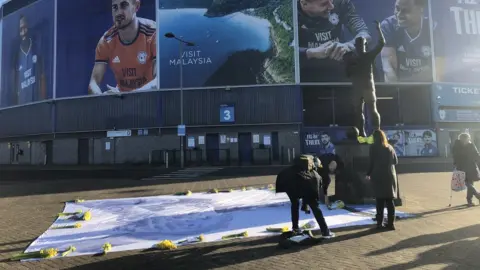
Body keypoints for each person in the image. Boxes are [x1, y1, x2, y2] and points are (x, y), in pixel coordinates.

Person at [89, 0, 157, 95]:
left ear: (136, 6)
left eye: (124, 5)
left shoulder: (153, 33)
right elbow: (93, 83)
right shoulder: (106, 41)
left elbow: (159, 81)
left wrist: (130, 95)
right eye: (115, 7)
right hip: (122, 102)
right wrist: (102, 98)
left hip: (149, 100)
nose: (119, 12)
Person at [297, 0, 371, 82]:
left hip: (341, 67)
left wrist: (349, 45)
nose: (331, 6)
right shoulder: (288, 10)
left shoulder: (341, 2)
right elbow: (283, 54)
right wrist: (311, 52)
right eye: (324, 4)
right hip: (304, 73)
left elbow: (364, 33)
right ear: (304, 4)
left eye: (331, 1)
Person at [343, 21, 385, 137]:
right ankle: (376, 132)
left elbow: (347, 74)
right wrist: (379, 29)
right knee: (371, 109)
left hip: (358, 87)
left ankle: (362, 134)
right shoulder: (367, 56)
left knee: (359, 111)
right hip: (367, 86)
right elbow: (381, 43)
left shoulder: (351, 58)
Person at [276, 155, 335, 238]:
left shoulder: (296, 169)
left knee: (295, 204)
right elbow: (314, 194)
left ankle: (295, 228)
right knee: (315, 207)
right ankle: (325, 232)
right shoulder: (315, 175)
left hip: (288, 183)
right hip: (299, 184)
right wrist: (311, 202)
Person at [380, 0, 432, 82]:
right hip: (398, 89)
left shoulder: (433, 29)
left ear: (420, 10)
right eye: (397, 9)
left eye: (405, 11)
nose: (399, 14)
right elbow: (388, 70)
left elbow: (436, 73)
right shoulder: (388, 26)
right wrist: (397, 89)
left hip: (429, 90)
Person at [10, 15, 46, 106]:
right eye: (20, 29)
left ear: (28, 26)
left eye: (24, 27)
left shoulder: (36, 48)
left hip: (36, 104)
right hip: (22, 106)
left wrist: (43, 100)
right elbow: (14, 83)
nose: (23, 31)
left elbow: (42, 76)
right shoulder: (17, 55)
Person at [366, 129, 398, 230]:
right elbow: (396, 161)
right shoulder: (389, 147)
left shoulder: (373, 148)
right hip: (389, 175)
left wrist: (368, 173)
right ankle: (391, 223)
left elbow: (371, 162)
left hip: (378, 176)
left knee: (379, 201)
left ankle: (379, 223)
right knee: (390, 201)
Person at [452, 133, 480, 207]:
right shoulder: (457, 146)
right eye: (464, 139)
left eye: (467, 139)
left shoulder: (470, 145)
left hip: (471, 167)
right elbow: (455, 156)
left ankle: (469, 200)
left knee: (470, 182)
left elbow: (476, 155)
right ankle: (477, 195)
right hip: (462, 167)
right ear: (461, 139)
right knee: (467, 183)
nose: (466, 141)